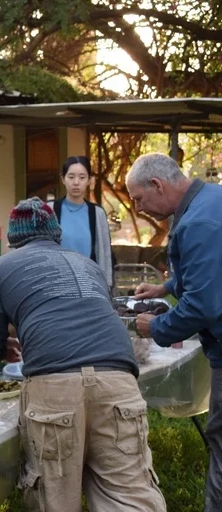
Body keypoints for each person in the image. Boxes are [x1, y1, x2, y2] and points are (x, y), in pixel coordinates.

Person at [0, 197, 166, 512]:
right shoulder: (87, 264)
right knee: (129, 498)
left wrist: (10, 338)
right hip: (118, 380)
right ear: (56, 235)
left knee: (56, 500)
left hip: (54, 384)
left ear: (13, 239)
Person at [127, 153, 222, 512]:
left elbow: (202, 306)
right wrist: (166, 287)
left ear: (157, 185)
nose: (138, 208)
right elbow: (211, 269)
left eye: (138, 199)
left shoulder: (196, 223)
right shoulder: (212, 197)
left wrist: (157, 328)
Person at [50, 156, 114, 289]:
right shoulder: (50, 210)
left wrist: (107, 286)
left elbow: (105, 253)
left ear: (90, 180)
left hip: (89, 285)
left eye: (82, 177)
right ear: (63, 179)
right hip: (56, 283)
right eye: (71, 177)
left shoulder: (97, 213)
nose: (76, 182)